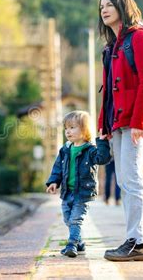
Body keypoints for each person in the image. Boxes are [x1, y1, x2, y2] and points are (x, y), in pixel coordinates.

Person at [98, 0, 143, 261]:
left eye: (110, 5)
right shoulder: (112, 46)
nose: (104, 9)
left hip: (137, 121)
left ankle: (138, 242)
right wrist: (103, 123)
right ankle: (132, 238)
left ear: (124, 7)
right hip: (118, 123)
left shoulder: (141, 37)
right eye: (101, 6)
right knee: (124, 180)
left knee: (132, 179)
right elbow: (108, 91)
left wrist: (138, 122)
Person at [45, 110, 111, 258]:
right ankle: (80, 242)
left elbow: (103, 159)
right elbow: (58, 168)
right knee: (67, 219)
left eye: (72, 127)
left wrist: (102, 141)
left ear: (85, 129)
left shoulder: (91, 150)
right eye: (66, 128)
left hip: (83, 193)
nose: (68, 131)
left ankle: (71, 244)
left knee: (76, 219)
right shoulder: (65, 150)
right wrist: (54, 182)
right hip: (67, 192)